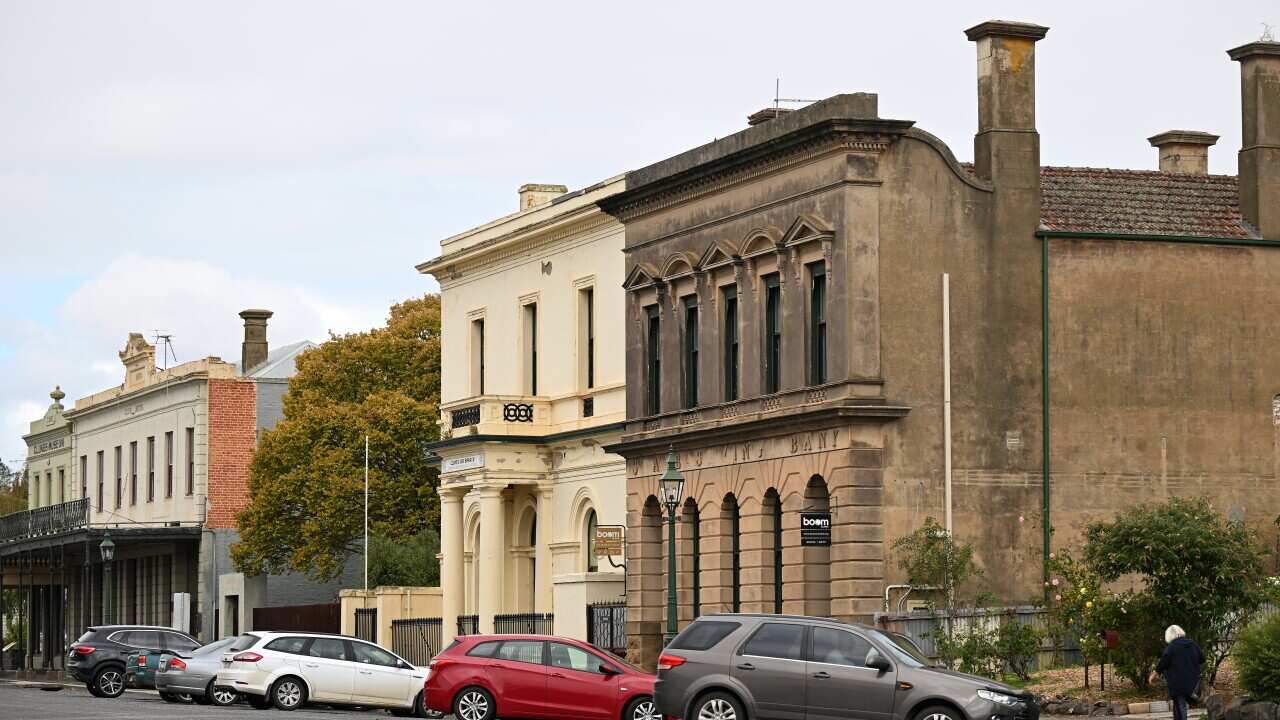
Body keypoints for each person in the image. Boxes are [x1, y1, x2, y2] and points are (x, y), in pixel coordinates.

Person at [1152, 625, 1204, 720]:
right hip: (1193, 681)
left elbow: (1163, 663)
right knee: (1178, 705)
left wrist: (1154, 674)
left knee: (1180, 705)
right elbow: (1202, 659)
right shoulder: (1192, 644)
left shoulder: (1171, 648)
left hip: (1177, 682)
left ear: (1169, 636)